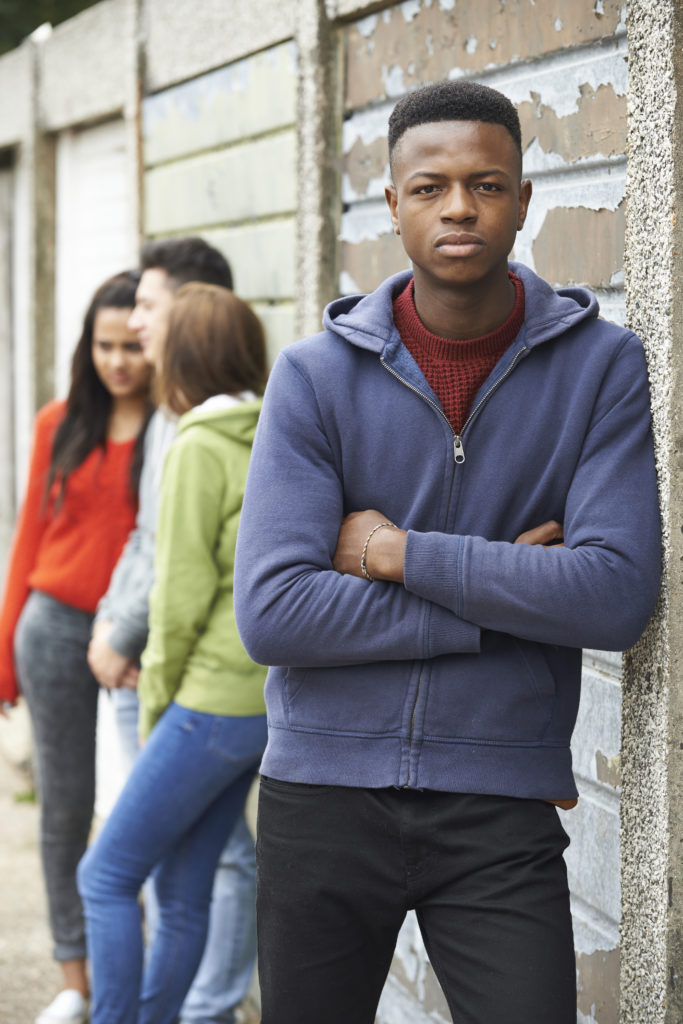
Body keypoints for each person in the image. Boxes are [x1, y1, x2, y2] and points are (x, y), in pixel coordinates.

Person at [233, 79, 662, 1024]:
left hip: (498, 802)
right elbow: (274, 613)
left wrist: (395, 552)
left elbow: (612, 594)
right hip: (322, 793)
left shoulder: (600, 368)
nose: (458, 206)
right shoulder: (312, 377)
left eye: (486, 184)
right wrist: (499, 596)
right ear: (391, 204)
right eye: (429, 187)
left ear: (523, 200)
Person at [78, 282, 268, 1024]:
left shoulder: (195, 443)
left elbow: (178, 597)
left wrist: (154, 709)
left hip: (207, 702)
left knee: (106, 875)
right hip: (259, 703)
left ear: (183, 356)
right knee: (184, 893)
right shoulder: (270, 430)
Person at [0, 271, 152, 1024]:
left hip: (137, 637)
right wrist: (3, 656)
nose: (118, 361)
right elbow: (29, 537)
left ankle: (143, 958)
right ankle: (75, 979)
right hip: (54, 626)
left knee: (139, 808)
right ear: (86, 347)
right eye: (104, 346)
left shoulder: (168, 428)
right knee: (63, 807)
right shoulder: (58, 422)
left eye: (131, 346)